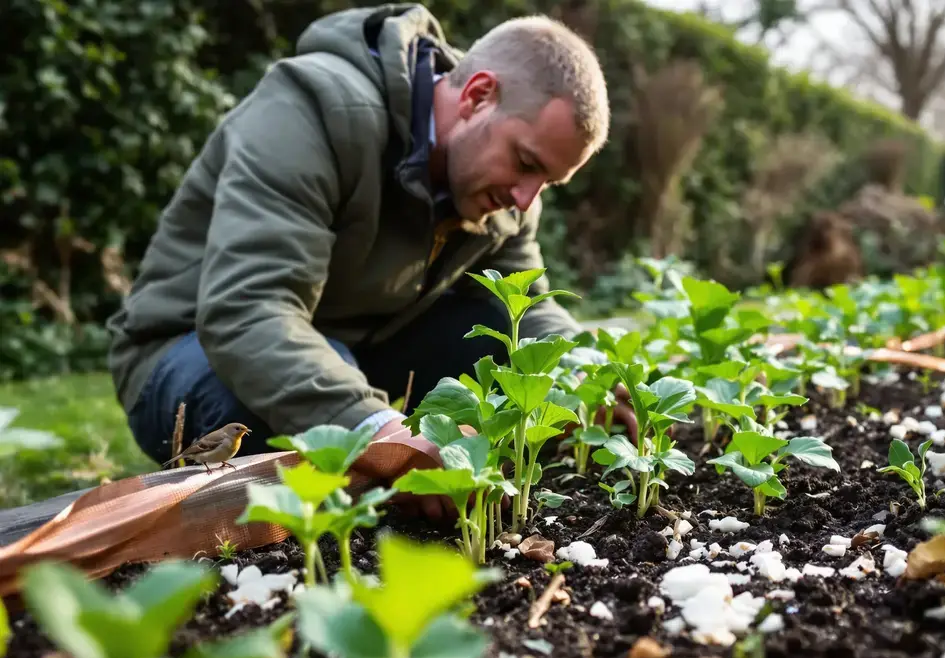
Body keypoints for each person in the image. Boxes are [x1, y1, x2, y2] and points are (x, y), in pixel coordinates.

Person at [105, 4, 630, 516]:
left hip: (356, 348)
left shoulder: (502, 200)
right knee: (276, 425)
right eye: (526, 163)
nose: (525, 198)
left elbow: (528, 305)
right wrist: (379, 432)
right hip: (193, 349)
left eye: (546, 183)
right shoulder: (313, 112)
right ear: (478, 96)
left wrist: (590, 377)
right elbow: (246, 311)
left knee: (507, 336)